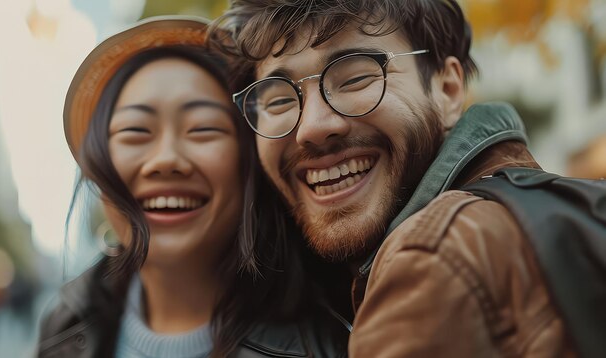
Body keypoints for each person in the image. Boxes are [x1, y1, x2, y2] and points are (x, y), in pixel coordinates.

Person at [211, 1, 577, 356]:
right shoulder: (535, 210)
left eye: (355, 78)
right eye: (279, 101)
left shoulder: (435, 265)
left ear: (447, 90)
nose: (312, 127)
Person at [37, 16, 349, 358]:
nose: (166, 159)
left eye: (203, 129)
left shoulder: (339, 338)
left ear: (253, 159)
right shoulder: (65, 325)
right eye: (135, 132)